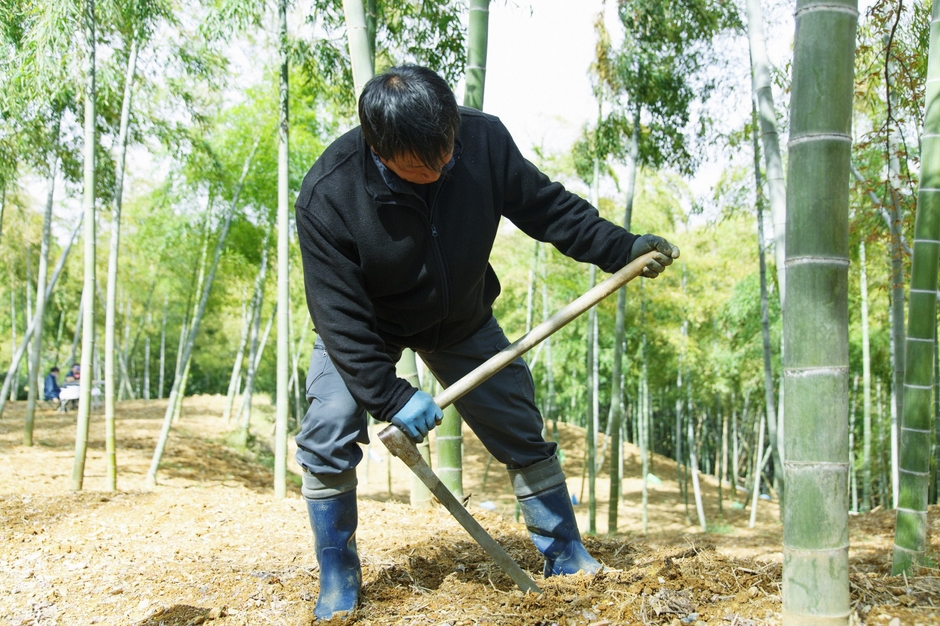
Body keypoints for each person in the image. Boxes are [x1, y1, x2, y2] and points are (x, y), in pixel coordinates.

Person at [294, 64, 680, 619]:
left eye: (447, 154)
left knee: (519, 425)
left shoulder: (482, 140)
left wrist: (621, 248)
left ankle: (565, 554)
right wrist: (391, 395)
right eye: (422, 166)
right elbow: (338, 315)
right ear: (379, 149)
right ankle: (338, 576)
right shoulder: (329, 194)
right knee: (328, 429)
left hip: (462, 318)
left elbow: (548, 208)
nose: (441, 170)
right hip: (367, 328)